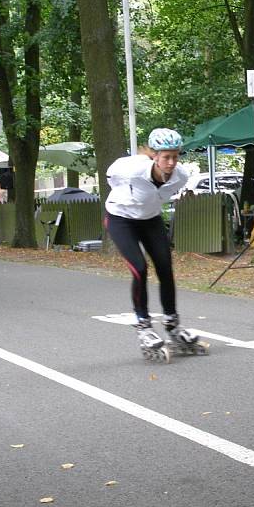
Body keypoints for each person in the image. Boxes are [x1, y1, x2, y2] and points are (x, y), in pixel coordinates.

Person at [104, 128, 208, 359]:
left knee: (165, 268)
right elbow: (110, 176)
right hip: (121, 219)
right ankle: (144, 325)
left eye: (175, 156)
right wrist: (126, 195)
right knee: (139, 268)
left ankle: (172, 324)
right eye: (166, 157)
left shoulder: (181, 176)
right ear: (154, 155)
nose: (171, 163)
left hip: (150, 220)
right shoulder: (130, 169)